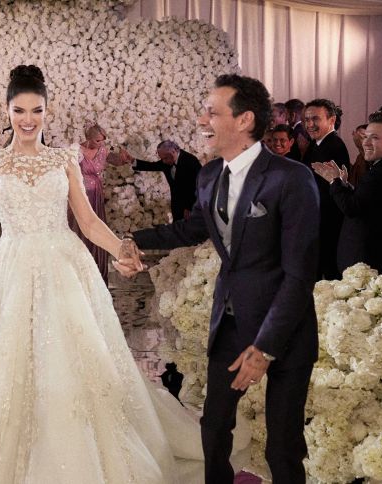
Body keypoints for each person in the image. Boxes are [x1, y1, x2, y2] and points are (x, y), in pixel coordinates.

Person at [0, 18, 223, 484]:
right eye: (19, 110)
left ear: (47, 111)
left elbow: (87, 221)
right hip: (13, 267)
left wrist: (124, 248)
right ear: (8, 111)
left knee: (71, 360)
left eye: (37, 110)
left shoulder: (64, 159)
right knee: (11, 362)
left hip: (65, 266)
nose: (28, 119)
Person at [133, 74, 319, 484]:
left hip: (285, 329)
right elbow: (192, 229)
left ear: (244, 119)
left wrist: (265, 348)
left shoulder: (290, 178)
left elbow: (299, 275)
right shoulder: (209, 174)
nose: (202, 120)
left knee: (282, 446)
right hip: (232, 322)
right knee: (214, 430)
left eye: (211, 113)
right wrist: (132, 240)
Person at [313, 111, 382, 281]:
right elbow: (366, 200)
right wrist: (343, 184)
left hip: (370, 262)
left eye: (375, 138)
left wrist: (334, 182)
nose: (366, 142)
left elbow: (351, 208)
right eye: (366, 136)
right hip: (368, 259)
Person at [68, 122, 129, 283]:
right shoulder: (76, 150)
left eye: (103, 140)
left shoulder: (102, 150)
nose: (101, 143)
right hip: (79, 193)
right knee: (79, 227)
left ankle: (97, 271)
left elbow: (116, 160)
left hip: (96, 194)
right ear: (88, 138)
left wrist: (123, 159)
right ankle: (76, 271)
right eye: (97, 140)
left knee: (97, 226)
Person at [302, 98, 350, 280]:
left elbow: (329, 189)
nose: (310, 125)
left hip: (327, 221)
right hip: (316, 220)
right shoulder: (316, 144)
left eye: (315, 119)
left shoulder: (334, 146)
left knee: (328, 274)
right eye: (307, 119)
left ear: (332, 120)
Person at [127, 139, 203, 221]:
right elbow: (152, 166)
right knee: (177, 226)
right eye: (162, 159)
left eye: (165, 158)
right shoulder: (167, 160)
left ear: (173, 151)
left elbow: (199, 186)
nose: (163, 161)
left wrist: (189, 207)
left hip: (192, 206)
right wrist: (132, 161)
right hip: (177, 205)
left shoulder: (191, 161)